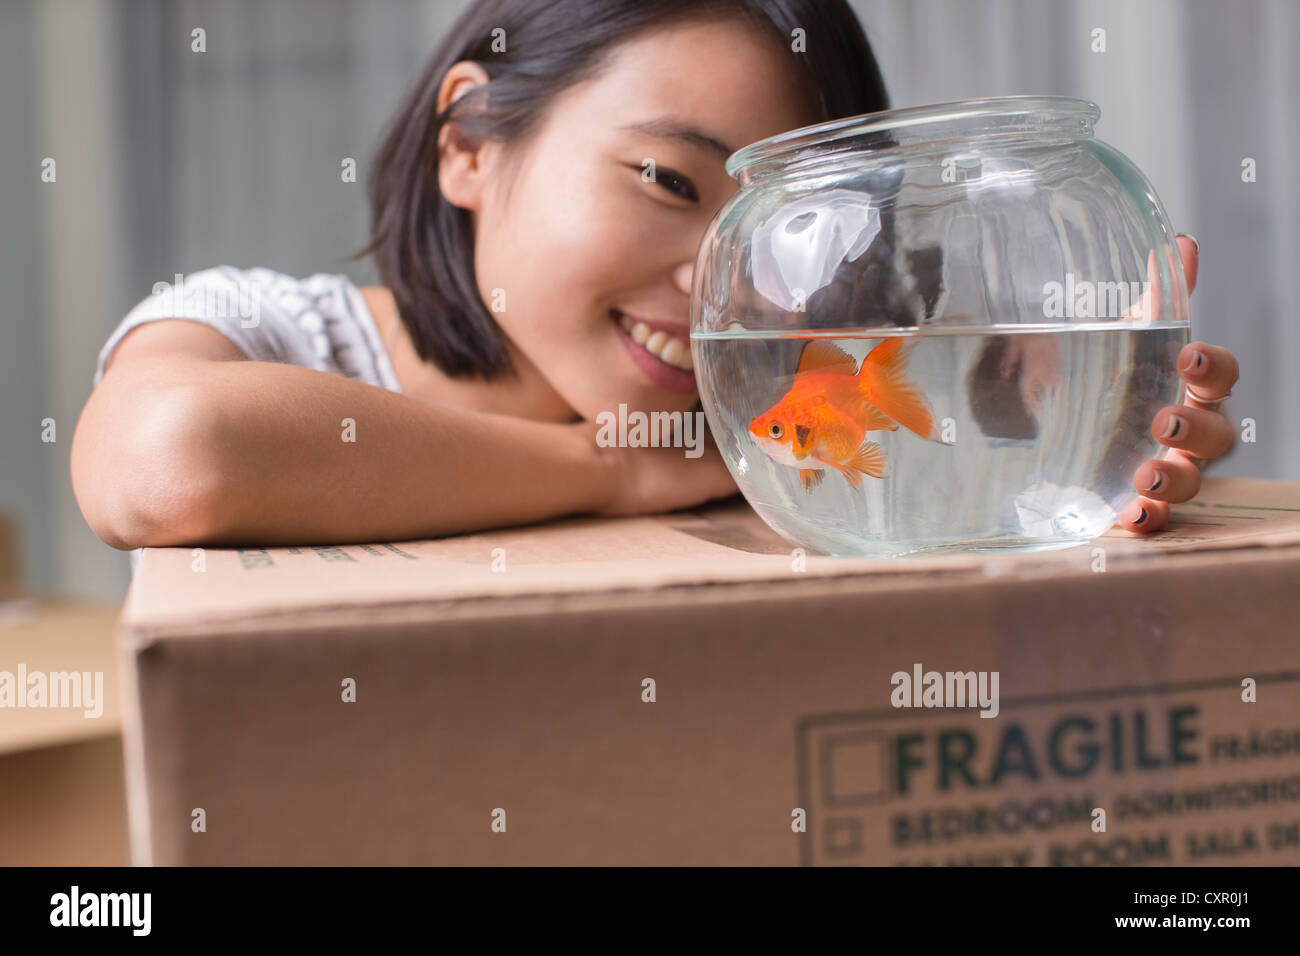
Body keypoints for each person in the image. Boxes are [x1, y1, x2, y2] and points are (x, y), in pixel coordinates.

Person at [70, 0, 1238, 555]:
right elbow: (173, 460)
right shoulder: (259, 329)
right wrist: (617, 470)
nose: (720, 281)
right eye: (669, 183)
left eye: (780, 228)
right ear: (469, 144)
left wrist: (1089, 445)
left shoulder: (784, 421)